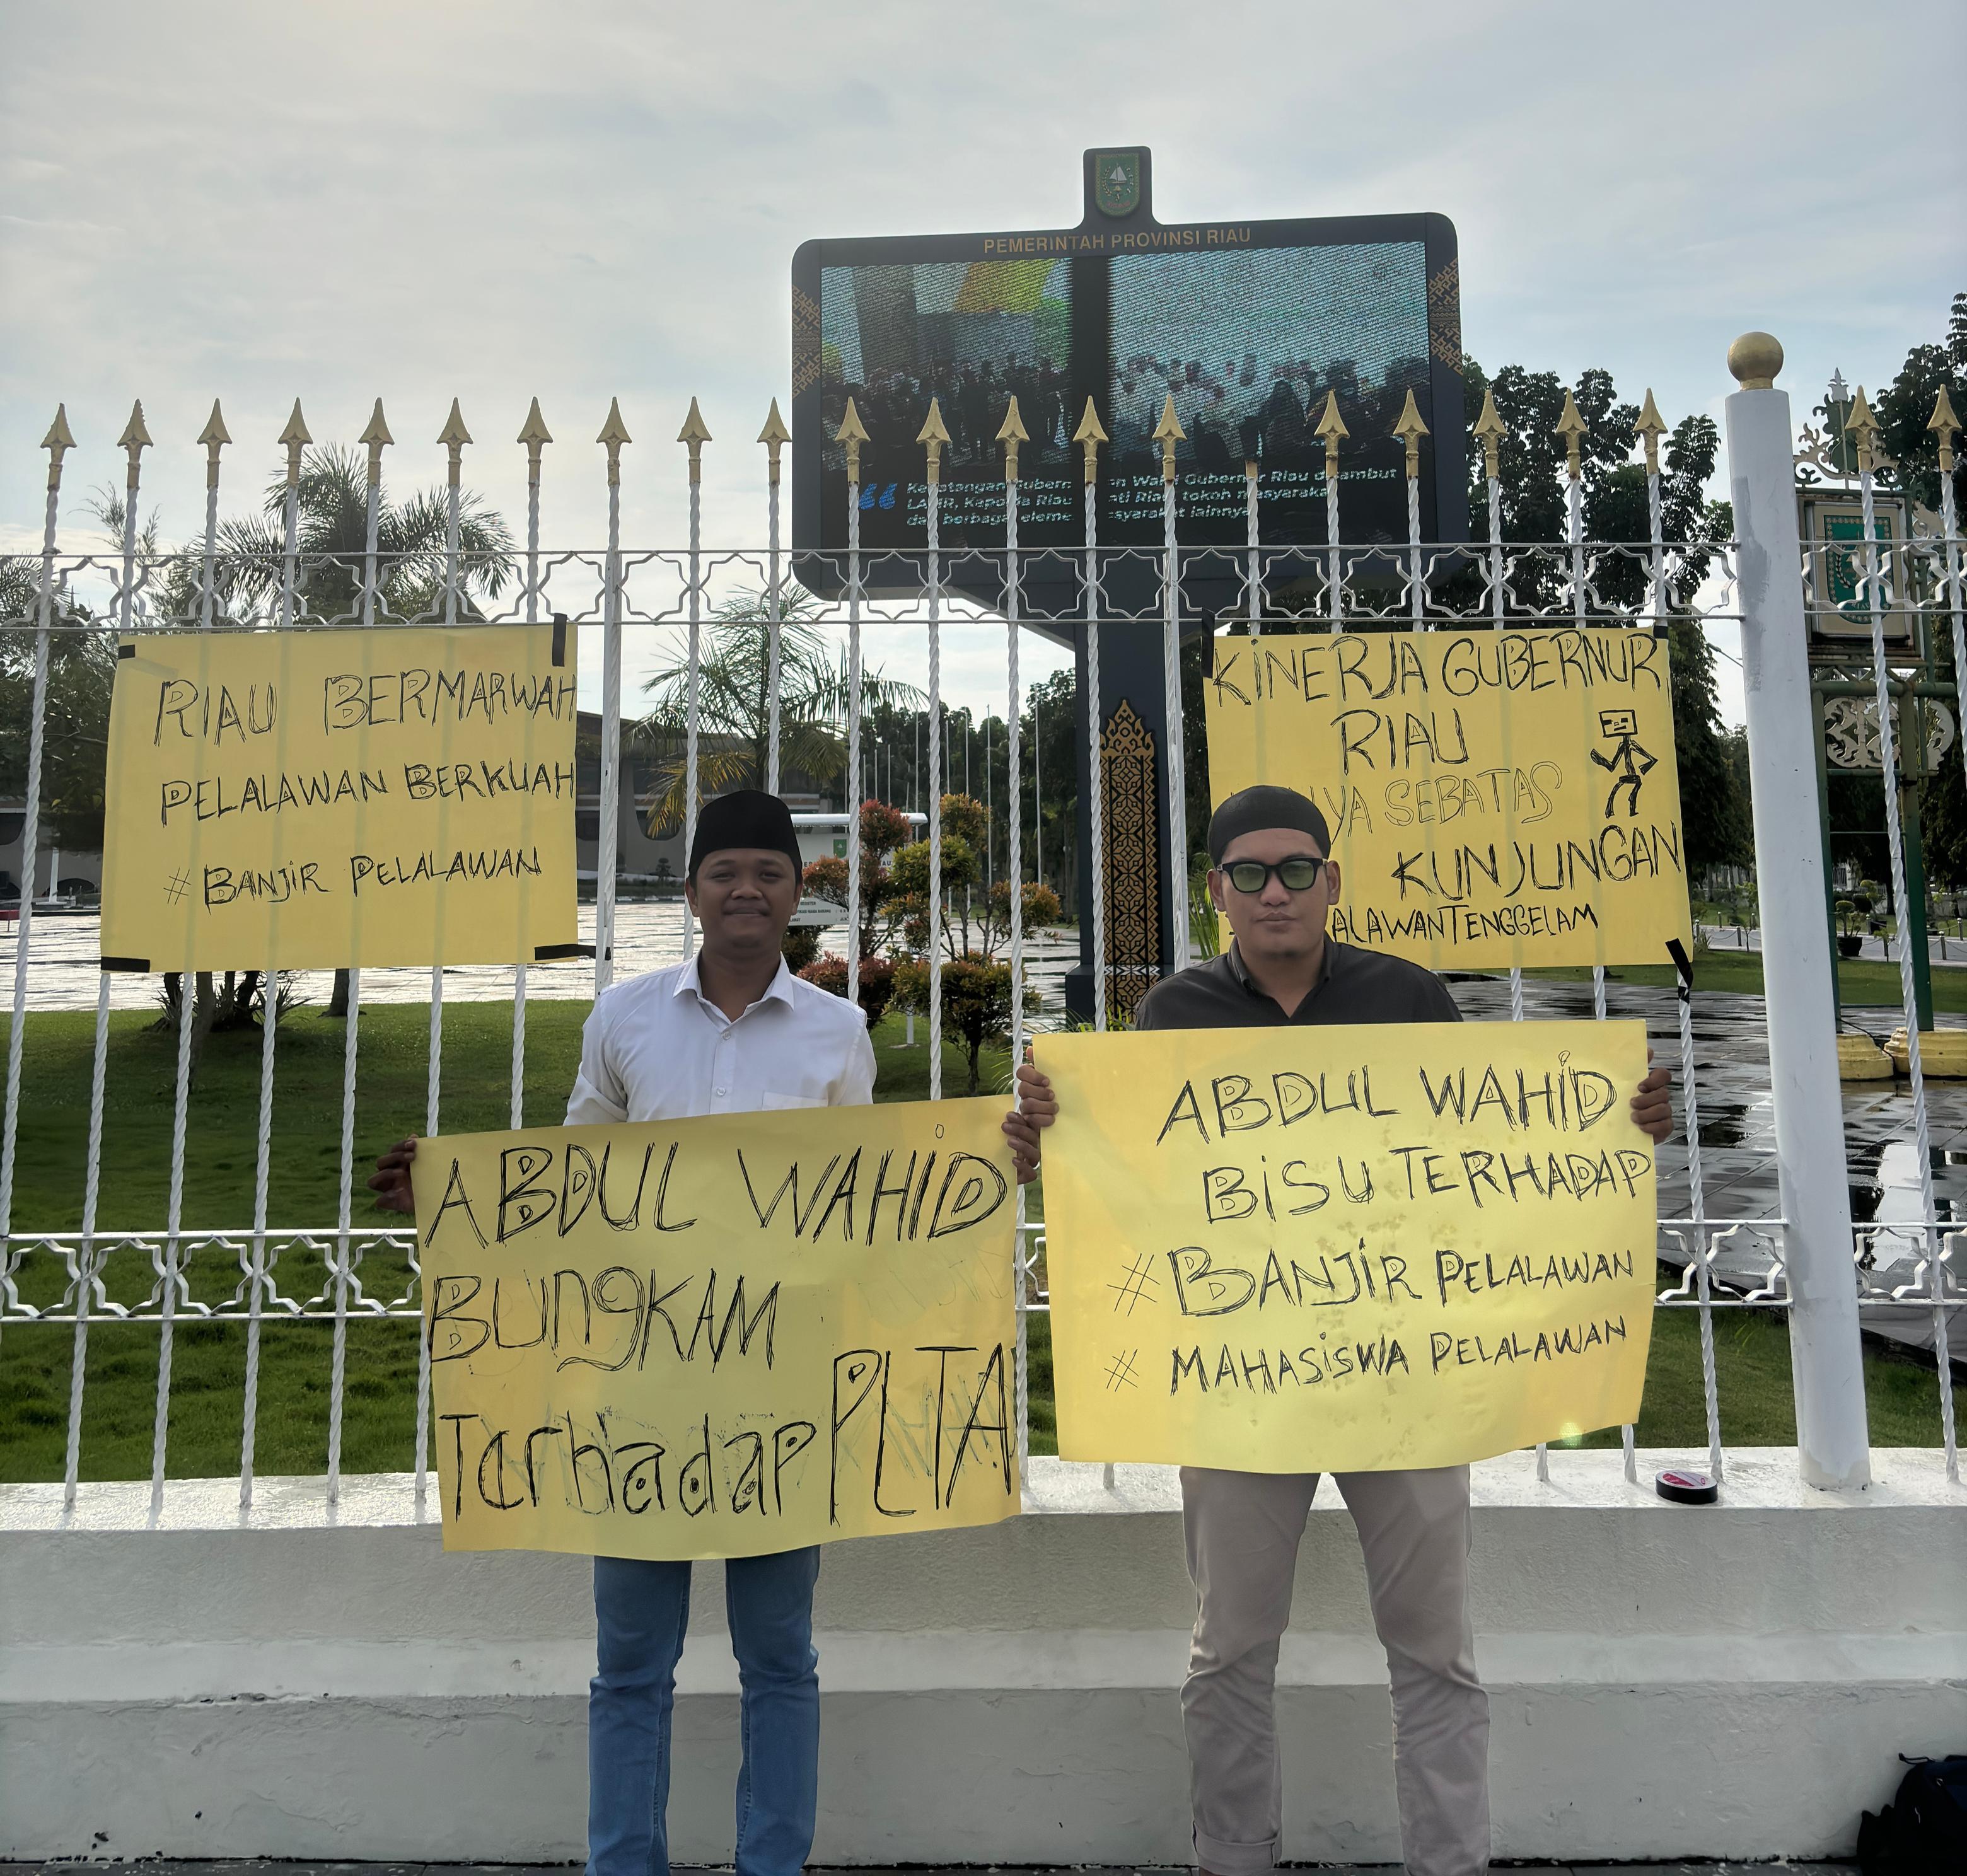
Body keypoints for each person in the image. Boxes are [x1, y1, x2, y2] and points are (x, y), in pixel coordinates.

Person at [1002, 783, 1673, 1876]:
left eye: (1298, 870)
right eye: (1252, 873)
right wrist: (1048, 1136)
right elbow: (1134, 1184)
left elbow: (1484, 1156)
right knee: (1228, 1655)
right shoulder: (1171, 1015)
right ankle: (1234, 1857)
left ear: (1332, 881)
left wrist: (1617, 1118)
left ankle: (1449, 1863)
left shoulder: (1408, 997)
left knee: (1434, 1655)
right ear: (1217, 889)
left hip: (1404, 1376)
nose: (1277, 892)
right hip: (1237, 1383)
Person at [370, 789, 874, 1876]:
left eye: (771, 873)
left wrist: (992, 1163)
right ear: (691, 890)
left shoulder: (842, 1031)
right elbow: (569, 1176)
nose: (748, 889)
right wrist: (453, 1191)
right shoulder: (626, 1019)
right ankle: (622, 1866)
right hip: (637, 1375)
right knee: (631, 1661)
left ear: (799, 892)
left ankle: (773, 1866)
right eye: (725, 871)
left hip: (777, 1379)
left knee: (781, 1656)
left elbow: (869, 1199)